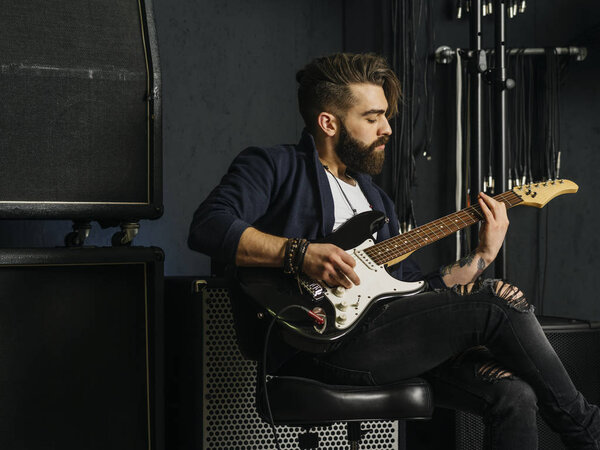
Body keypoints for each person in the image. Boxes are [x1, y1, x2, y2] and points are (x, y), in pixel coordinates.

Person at [188, 53, 600, 449]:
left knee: (514, 395)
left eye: (385, 114)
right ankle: (589, 432)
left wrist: (481, 256)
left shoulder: (377, 203)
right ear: (328, 122)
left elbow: (415, 292)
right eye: (372, 117)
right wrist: (301, 253)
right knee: (495, 301)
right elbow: (209, 226)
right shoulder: (274, 166)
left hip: (385, 340)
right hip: (316, 345)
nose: (387, 127)